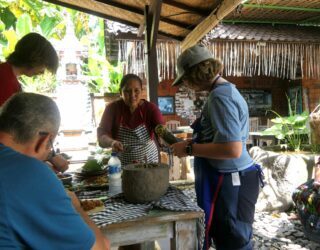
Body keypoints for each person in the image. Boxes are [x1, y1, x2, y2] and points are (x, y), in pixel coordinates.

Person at [170, 44, 263, 250]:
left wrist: (189, 150)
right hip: (232, 176)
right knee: (227, 237)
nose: (185, 84)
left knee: (233, 240)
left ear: (196, 73)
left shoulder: (220, 96)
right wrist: (193, 143)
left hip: (233, 178)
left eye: (185, 78)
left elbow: (232, 149)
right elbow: (221, 137)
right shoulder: (224, 91)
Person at [0, 92, 110, 249]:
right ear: (44, 141)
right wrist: (76, 207)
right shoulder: (31, 174)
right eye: (50, 148)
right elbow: (101, 247)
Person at [0, 32, 69, 173]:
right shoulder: (5, 80)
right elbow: (12, 134)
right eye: (44, 65)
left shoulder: (10, 77)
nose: (43, 72)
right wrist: (49, 156)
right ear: (35, 59)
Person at [97, 73, 164, 165]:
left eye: (136, 90)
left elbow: (162, 130)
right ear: (120, 92)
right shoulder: (112, 109)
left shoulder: (151, 109)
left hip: (148, 161)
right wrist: (112, 142)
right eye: (127, 91)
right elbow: (101, 137)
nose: (132, 95)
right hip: (122, 163)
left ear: (142, 91)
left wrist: (163, 137)